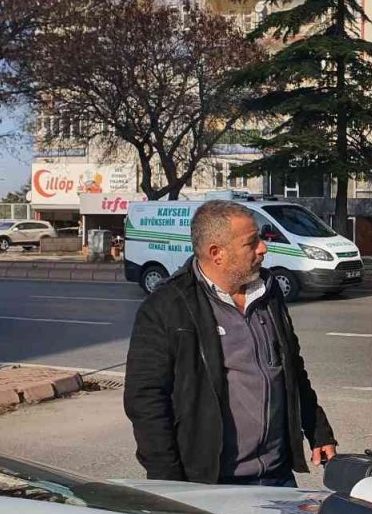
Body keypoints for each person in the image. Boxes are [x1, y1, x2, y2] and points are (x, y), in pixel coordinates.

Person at [124, 199, 337, 485]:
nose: (263, 248)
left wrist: (317, 428)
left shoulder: (268, 292)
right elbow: (146, 400)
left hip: (277, 476)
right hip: (212, 484)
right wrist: (168, 484)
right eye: (251, 243)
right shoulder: (167, 306)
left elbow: (292, 370)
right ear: (217, 253)